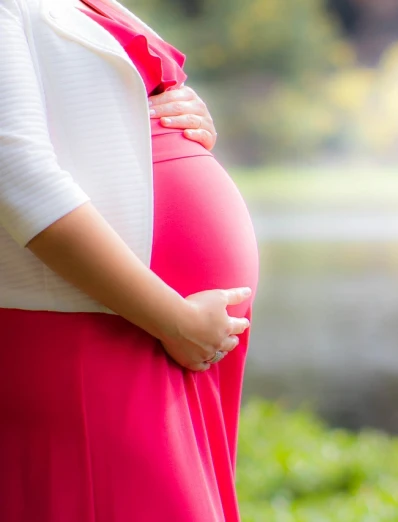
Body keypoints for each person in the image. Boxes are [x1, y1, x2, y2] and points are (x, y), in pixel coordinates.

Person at [0, 0, 259, 520]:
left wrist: (183, 114)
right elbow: (16, 175)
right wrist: (173, 319)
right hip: (99, 325)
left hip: (151, 327)